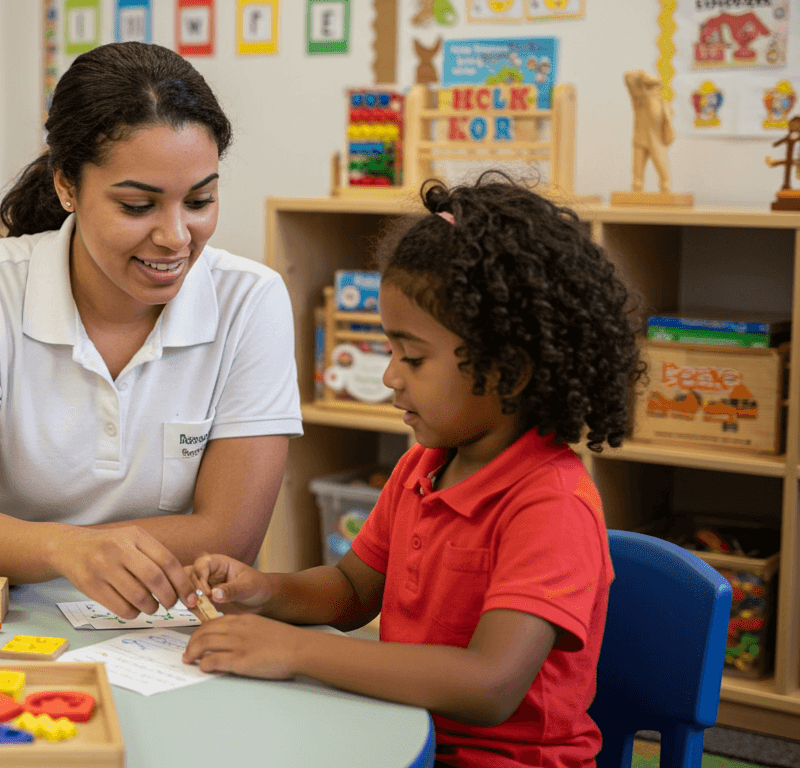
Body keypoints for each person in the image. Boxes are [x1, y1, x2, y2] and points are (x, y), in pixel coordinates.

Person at [183, 175, 643, 768]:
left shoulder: (551, 505)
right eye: (390, 350)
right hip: (403, 736)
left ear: (512, 369)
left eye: (414, 357)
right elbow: (351, 591)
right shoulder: (422, 467)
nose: (391, 377)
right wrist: (263, 590)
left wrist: (295, 650)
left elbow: (488, 684)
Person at [0, 41, 302, 620]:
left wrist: (41, 542)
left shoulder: (250, 300)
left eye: (200, 200)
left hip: (160, 622)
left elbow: (231, 538)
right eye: (138, 206)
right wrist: (68, 549)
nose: (176, 236)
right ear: (68, 186)